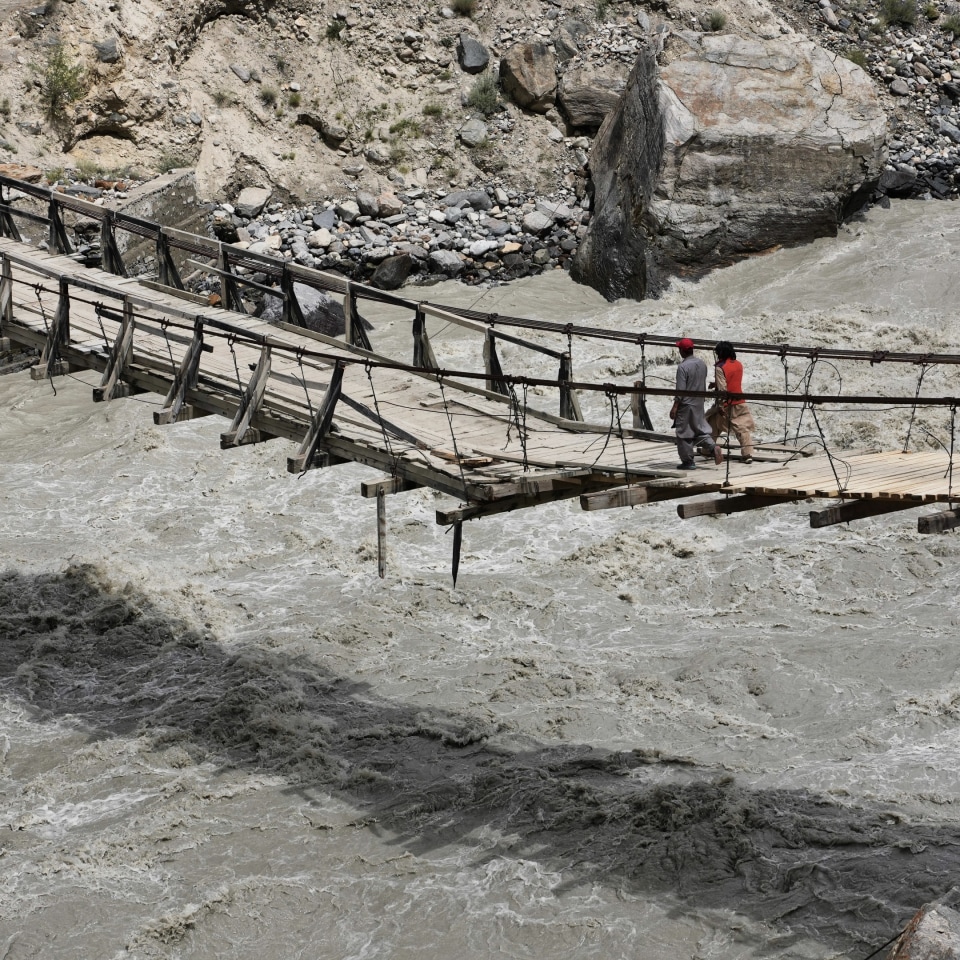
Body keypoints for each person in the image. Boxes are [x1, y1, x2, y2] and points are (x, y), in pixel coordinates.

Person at [669, 338, 722, 470]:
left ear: (682, 351)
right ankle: (713, 446)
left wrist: (675, 407)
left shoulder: (682, 367)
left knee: (684, 433)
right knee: (699, 429)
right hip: (698, 403)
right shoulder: (702, 364)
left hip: (686, 405)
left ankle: (688, 462)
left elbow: (680, 390)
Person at [707, 340, 756, 464]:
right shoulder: (738, 364)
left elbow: (723, 389)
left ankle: (708, 449)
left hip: (726, 403)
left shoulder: (720, 367)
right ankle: (748, 453)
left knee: (713, 423)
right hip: (739, 401)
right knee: (741, 427)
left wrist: (720, 405)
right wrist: (716, 383)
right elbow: (732, 380)